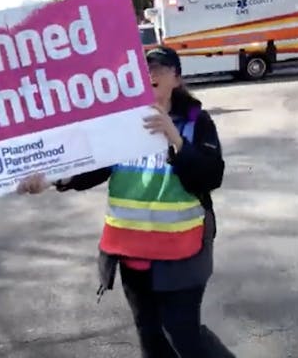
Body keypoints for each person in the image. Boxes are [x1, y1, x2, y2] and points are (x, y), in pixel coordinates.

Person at [17, 46, 229, 358]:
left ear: (177, 77)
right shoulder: (120, 122)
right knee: (150, 337)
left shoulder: (196, 118)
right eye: (145, 68)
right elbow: (94, 167)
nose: (151, 74)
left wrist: (176, 139)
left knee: (183, 335)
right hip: (132, 255)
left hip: (182, 254)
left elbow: (211, 176)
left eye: (160, 67)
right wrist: (52, 179)